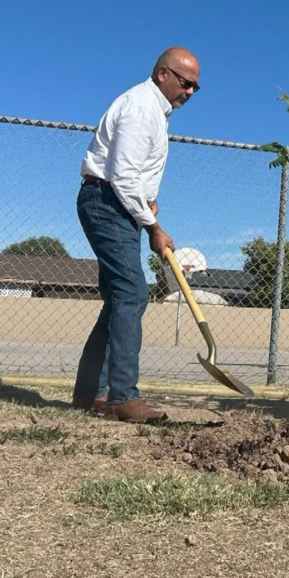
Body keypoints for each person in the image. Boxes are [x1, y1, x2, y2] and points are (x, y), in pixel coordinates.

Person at [72, 47, 200, 423]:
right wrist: (154, 227)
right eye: (185, 82)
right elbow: (122, 175)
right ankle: (122, 397)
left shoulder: (154, 111)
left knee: (118, 297)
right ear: (163, 73)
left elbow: (132, 176)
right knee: (132, 292)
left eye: (196, 87)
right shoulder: (142, 107)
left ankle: (89, 394)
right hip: (106, 202)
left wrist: (147, 202)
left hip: (117, 203)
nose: (190, 92)